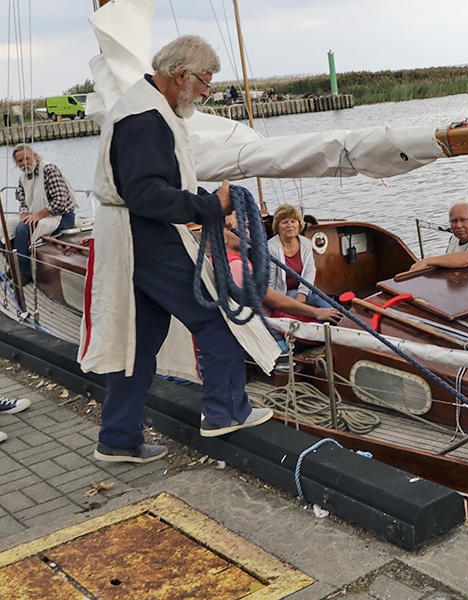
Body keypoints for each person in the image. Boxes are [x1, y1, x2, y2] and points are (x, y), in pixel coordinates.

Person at [80, 35, 274, 464]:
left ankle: (118, 437)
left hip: (131, 242)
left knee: (139, 343)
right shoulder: (146, 119)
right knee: (218, 318)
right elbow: (146, 193)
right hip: (146, 242)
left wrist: (206, 200)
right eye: (204, 81)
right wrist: (209, 206)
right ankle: (226, 412)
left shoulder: (145, 108)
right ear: (179, 75)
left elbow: (155, 183)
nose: (206, 91)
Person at [9, 144, 78, 286]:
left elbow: (60, 200)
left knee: (22, 229)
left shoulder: (48, 170)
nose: (24, 163)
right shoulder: (22, 179)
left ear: (35, 157)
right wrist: (24, 214)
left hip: (61, 217)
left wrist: (38, 216)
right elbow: (22, 202)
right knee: (4, 228)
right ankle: (12, 266)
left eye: (27, 159)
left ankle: (24, 272)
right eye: (20, 161)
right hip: (39, 216)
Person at [267, 204, 334, 309]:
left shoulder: (306, 243)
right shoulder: (271, 248)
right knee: (316, 296)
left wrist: (302, 294)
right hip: (282, 294)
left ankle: (339, 317)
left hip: (303, 291)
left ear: (299, 224)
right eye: (284, 222)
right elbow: (270, 283)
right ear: (277, 227)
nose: (290, 225)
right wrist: (275, 306)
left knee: (320, 297)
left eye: (293, 221)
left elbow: (310, 271)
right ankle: (338, 317)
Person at [409, 202, 468, 271]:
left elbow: (466, 260)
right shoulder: (455, 238)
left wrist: (426, 261)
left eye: (463, 220)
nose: (459, 225)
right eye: (454, 221)